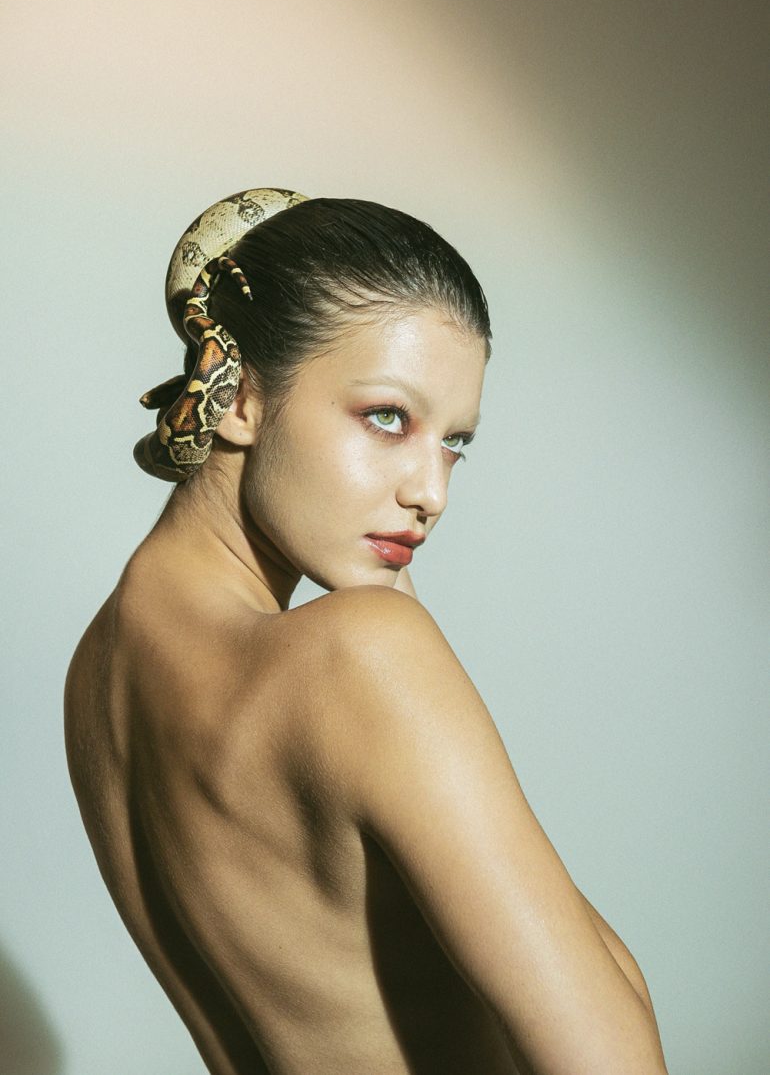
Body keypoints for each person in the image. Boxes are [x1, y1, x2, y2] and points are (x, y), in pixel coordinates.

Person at [65, 188, 668, 1075]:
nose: (433, 492)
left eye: (455, 441)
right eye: (388, 417)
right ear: (238, 397)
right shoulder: (364, 654)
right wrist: (396, 615)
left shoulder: (99, 666)